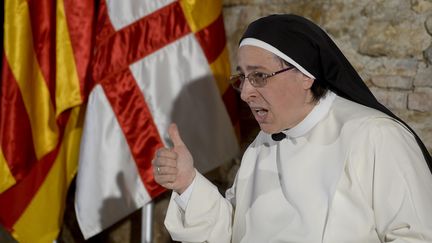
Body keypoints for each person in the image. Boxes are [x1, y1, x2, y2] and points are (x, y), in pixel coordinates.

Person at [152, 14, 432, 242]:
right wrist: (187, 183)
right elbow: (232, 232)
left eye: (259, 76)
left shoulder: (375, 136)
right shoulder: (262, 143)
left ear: (306, 76)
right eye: (243, 77)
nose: (245, 92)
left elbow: (418, 236)